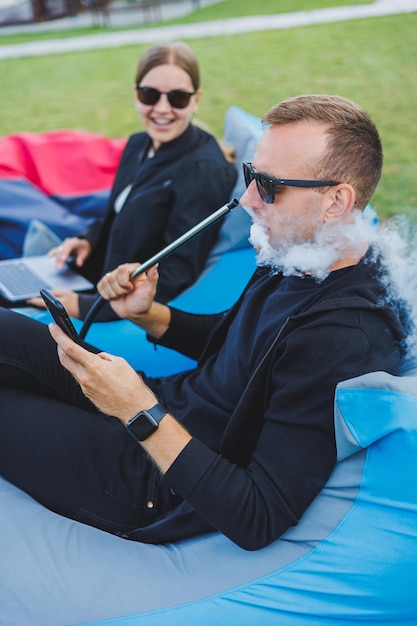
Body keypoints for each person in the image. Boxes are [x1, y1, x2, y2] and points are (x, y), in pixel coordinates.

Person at [0, 94, 409, 551]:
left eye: (270, 185)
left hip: (154, 482)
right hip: (157, 402)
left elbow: (259, 515)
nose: (248, 199)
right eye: (251, 175)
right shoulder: (301, 249)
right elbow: (236, 345)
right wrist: (147, 314)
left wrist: (138, 409)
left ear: (336, 201)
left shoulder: (343, 337)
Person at [28, 41, 236, 321]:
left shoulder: (203, 171)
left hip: (113, 310)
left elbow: (177, 275)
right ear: (136, 95)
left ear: (196, 100)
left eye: (178, 98)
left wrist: (85, 306)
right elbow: (119, 216)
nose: (162, 109)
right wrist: (87, 241)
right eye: (150, 94)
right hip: (93, 282)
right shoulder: (139, 145)